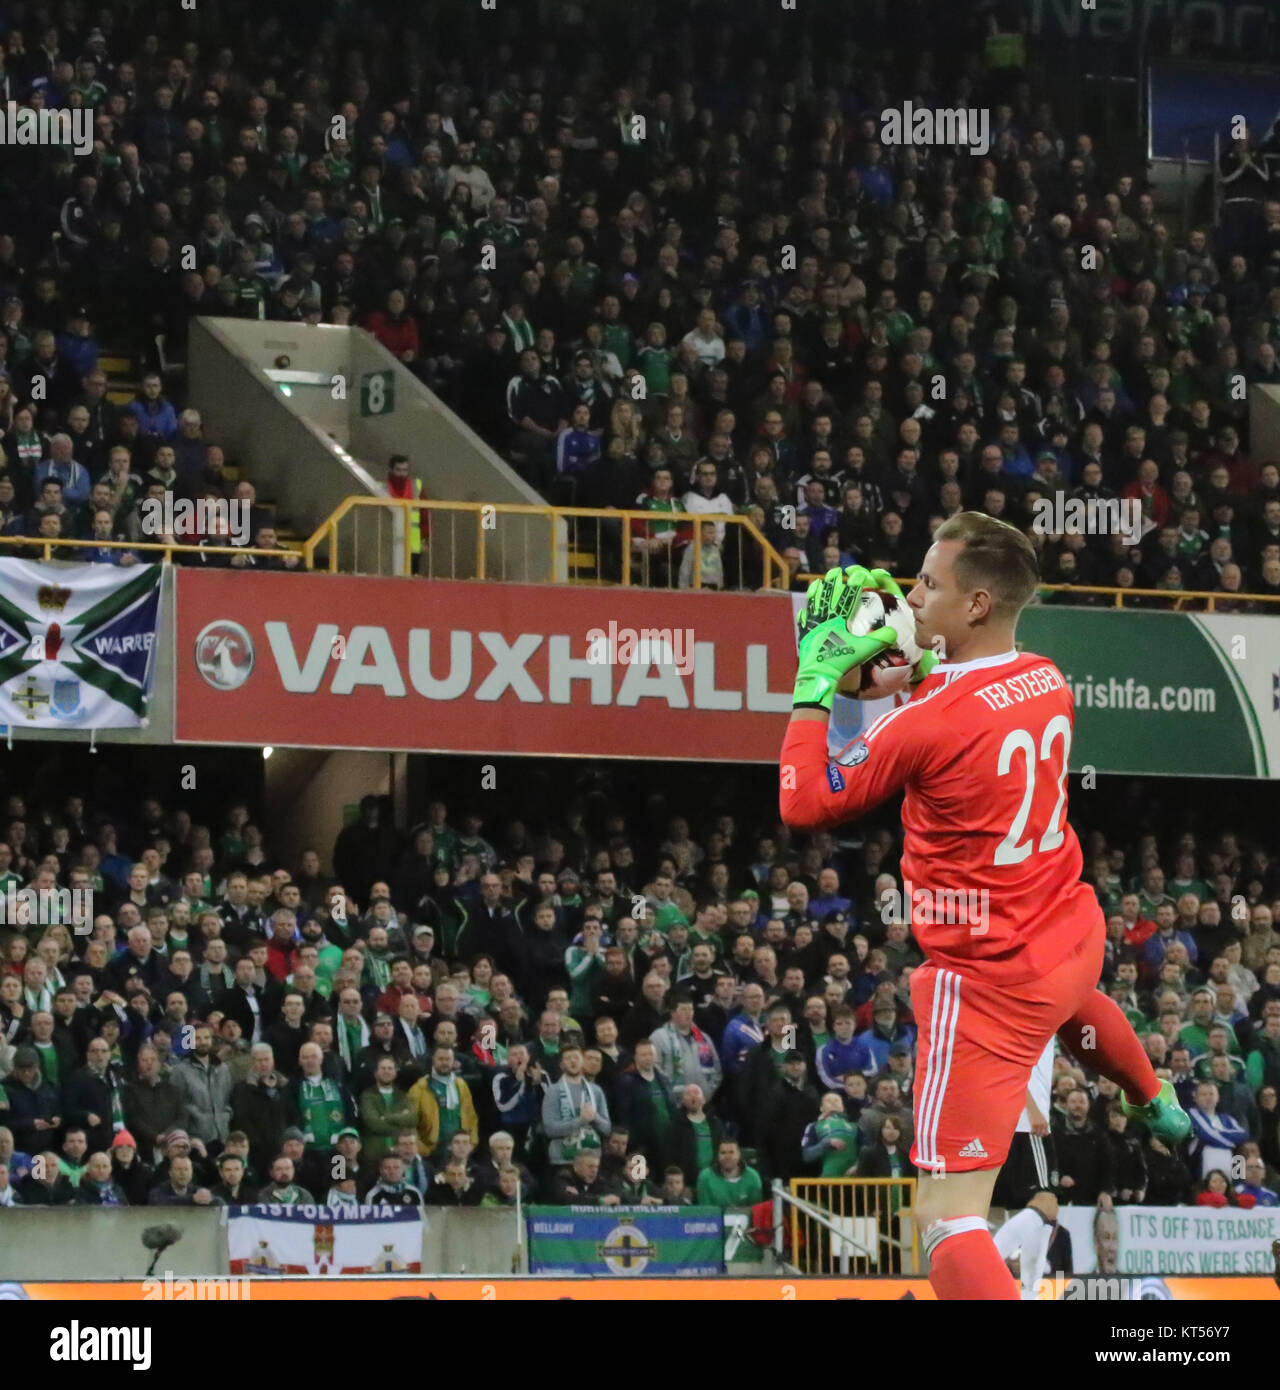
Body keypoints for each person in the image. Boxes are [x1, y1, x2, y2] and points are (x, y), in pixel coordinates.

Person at [779, 525, 1188, 1300]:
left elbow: (803, 802)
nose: (910, 596)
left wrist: (815, 684)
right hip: (1066, 932)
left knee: (946, 1222)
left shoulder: (926, 723)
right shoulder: (1046, 677)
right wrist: (915, 664)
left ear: (975, 601)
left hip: (988, 982)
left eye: (926, 586)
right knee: (1076, 1004)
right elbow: (965, 694)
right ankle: (1154, 1100)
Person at [991, 1041, 1059, 1300]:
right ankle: (991, 1268)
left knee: (1044, 1212)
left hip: (1011, 1123)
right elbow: (1011, 1064)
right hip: (1028, 1124)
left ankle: (1030, 1291)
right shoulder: (1031, 1012)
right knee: (1046, 1202)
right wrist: (1031, 1107)